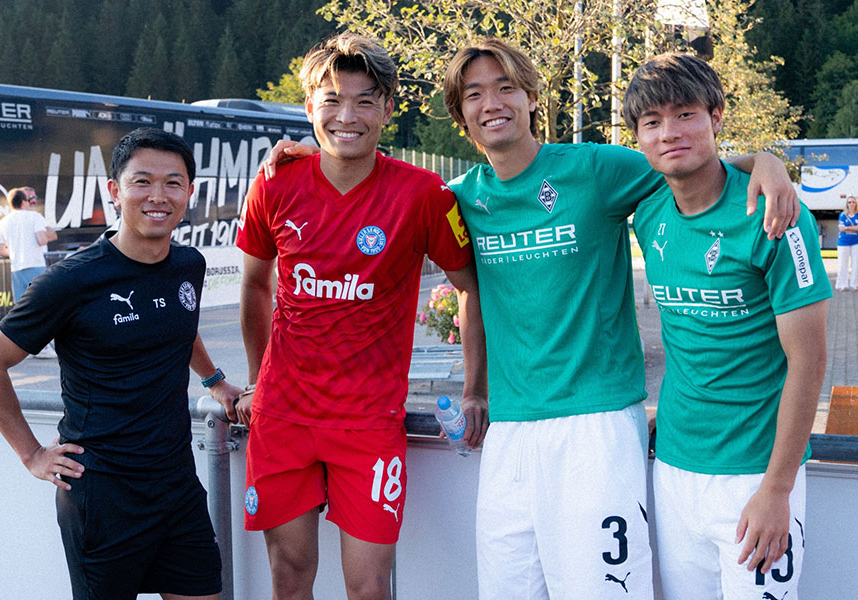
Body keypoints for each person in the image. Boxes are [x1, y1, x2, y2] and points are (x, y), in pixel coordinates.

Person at [261, 38, 797, 599]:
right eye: (474, 94)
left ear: (531, 96)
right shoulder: (458, 196)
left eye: (505, 87)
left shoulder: (595, 169)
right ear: (460, 114)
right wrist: (304, 148)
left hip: (597, 424)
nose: (492, 103)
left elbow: (685, 159)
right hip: (509, 433)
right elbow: (382, 190)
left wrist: (765, 162)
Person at [235, 33, 486, 600]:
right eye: (331, 100)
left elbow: (471, 290)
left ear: (388, 110)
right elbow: (254, 284)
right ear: (309, 109)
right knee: (289, 576)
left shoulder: (423, 194)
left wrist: (476, 388)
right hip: (283, 419)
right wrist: (257, 379)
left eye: (365, 100)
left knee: (370, 587)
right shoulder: (276, 182)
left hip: (369, 423)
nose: (347, 116)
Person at [0, 127, 242, 600]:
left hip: (177, 484)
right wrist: (32, 455)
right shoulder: (71, 281)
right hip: (103, 496)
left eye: (173, 183)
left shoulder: (188, 265)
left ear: (189, 194)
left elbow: (180, 323)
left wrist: (216, 382)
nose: (158, 196)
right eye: (142, 182)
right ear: (115, 192)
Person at [624, 52, 830, 600]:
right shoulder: (648, 211)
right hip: (672, 471)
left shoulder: (778, 217)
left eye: (685, 113)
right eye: (652, 123)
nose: (670, 132)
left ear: (715, 116)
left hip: (754, 478)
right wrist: (762, 156)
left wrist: (777, 489)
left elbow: (809, 364)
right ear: (639, 138)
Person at [0, 186, 57, 305]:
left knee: (22, 307)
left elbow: (0, 250)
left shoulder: (3, 222)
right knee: (42, 303)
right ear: (23, 202)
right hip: (36, 265)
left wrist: (15, 251)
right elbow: (42, 240)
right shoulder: (34, 217)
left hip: (17, 269)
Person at [836, 195, 858, 290]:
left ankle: (855, 285)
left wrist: (847, 228)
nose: (851, 204)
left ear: (856, 204)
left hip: (856, 242)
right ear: (847, 204)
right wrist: (854, 229)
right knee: (842, 264)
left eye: (853, 202)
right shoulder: (842, 215)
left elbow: (845, 228)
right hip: (843, 243)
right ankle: (842, 285)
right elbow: (841, 228)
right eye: (849, 202)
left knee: (856, 264)